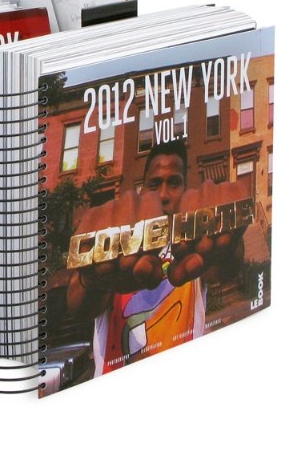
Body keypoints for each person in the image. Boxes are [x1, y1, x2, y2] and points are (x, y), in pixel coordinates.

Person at [66, 139, 249, 376]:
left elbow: (225, 269)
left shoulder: (192, 243)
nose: (163, 195)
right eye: (154, 184)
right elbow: (78, 306)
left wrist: (228, 242)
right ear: (142, 191)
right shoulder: (120, 241)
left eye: (174, 183)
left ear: (186, 190)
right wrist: (92, 279)